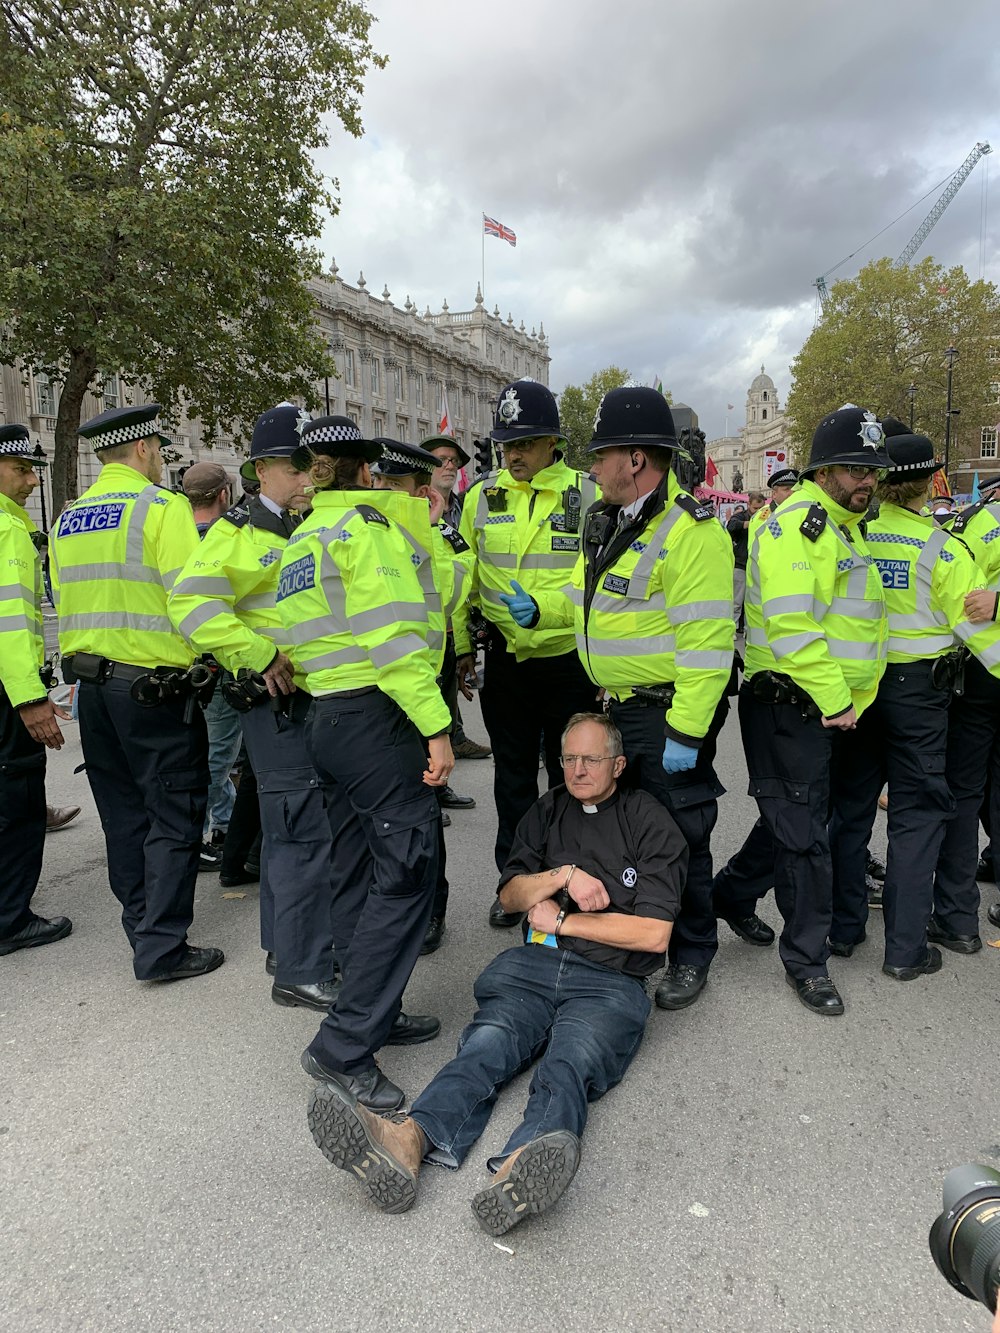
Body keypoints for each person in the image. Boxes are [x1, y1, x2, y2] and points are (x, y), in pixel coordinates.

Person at [304, 713, 687, 1234]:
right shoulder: (549, 809)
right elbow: (509, 897)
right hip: (531, 967)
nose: (576, 770)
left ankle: (519, 1169)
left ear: (618, 765)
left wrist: (567, 920)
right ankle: (407, 1139)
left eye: (590, 760)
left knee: (568, 1065)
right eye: (568, 759)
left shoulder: (649, 821)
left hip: (610, 983)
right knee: (485, 1046)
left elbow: (654, 935)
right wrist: (563, 877)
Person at [503, 385, 735, 1010]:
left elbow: (709, 645)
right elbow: (589, 600)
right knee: (625, 833)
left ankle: (691, 952)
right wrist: (542, 610)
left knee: (680, 835)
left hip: (664, 712)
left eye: (601, 454)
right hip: (618, 705)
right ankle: (633, 933)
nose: (593, 466)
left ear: (635, 458)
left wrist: (685, 734)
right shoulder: (610, 520)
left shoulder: (691, 533)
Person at [277, 416, 452, 1112]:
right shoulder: (365, 530)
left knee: (353, 870)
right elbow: (394, 644)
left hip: (325, 718)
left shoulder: (303, 538)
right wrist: (436, 728)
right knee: (408, 871)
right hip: (374, 716)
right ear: (366, 469)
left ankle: (372, 1008)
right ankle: (344, 1046)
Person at [714, 406, 889, 1016]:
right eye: (855, 470)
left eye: (874, 471)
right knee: (805, 839)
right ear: (824, 470)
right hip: (794, 704)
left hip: (836, 708)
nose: (868, 481)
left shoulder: (847, 525)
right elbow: (792, 627)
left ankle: (731, 895)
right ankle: (806, 963)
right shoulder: (800, 528)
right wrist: (841, 700)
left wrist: (857, 701)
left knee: (794, 820)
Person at [170, 404, 342, 1010]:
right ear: (262, 467)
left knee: (289, 828)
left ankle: (287, 946)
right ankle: (302, 968)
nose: (307, 476)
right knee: (300, 831)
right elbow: (190, 606)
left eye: (313, 465)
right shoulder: (239, 531)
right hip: (279, 706)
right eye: (296, 465)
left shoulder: (308, 523)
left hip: (310, 704)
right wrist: (261, 654)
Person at [48, 403, 223, 982]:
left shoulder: (68, 518)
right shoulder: (160, 507)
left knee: (123, 816)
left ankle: (141, 923)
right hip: (153, 691)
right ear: (144, 449)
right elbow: (190, 598)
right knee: (173, 814)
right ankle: (162, 948)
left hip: (92, 692)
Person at [827, 422, 1000, 978]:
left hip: (857, 689)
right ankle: (904, 951)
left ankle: (845, 928)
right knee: (917, 818)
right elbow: (982, 638)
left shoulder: (850, 537)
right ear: (930, 481)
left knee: (850, 811)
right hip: (922, 695)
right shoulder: (945, 550)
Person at [454, 379, 599, 922]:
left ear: (552, 442)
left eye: (525, 443)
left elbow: (596, 578)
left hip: (567, 660)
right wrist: (464, 645)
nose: (513, 454)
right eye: (506, 444)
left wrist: (544, 607)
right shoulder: (481, 496)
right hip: (507, 661)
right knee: (512, 777)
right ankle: (514, 884)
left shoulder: (585, 495)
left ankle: (567, 880)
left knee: (573, 777)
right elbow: (463, 578)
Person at [370, 437, 475, 954]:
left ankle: (431, 909)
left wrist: (427, 532)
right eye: (381, 483)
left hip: (417, 689)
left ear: (421, 492)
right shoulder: (364, 533)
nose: (385, 494)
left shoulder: (444, 538)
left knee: (420, 814)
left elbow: (451, 597)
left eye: (398, 487)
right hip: (368, 693)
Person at [0, 425, 72, 956]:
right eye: (21, 469)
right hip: (7, 690)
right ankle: (9, 919)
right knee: (17, 802)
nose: (30, 480)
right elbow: (10, 623)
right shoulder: (6, 529)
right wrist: (29, 698)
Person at [181, 461, 240, 872]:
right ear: (225, 495)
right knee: (217, 757)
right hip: (220, 664)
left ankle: (224, 822)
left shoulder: (177, 537)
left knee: (204, 754)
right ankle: (200, 833)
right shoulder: (230, 538)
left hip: (182, 664)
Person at [422, 432, 491, 763]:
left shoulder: (466, 506)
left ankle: (453, 747)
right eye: (441, 460)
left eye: (454, 461)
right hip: (427, 624)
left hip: (457, 622)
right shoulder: (415, 508)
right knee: (427, 705)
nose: (449, 466)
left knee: (448, 695)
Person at [728, 490, 766, 625]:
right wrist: (750, 524)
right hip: (741, 564)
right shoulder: (740, 516)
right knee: (736, 601)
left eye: (761, 509)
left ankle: (748, 629)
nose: (758, 512)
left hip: (758, 565)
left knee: (754, 602)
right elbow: (731, 526)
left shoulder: (766, 517)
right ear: (748, 504)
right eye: (755, 508)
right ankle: (732, 628)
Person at [751, 468, 799, 535]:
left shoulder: (802, 511)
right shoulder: (765, 517)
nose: (792, 493)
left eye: (795, 489)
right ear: (774, 494)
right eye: (786, 489)